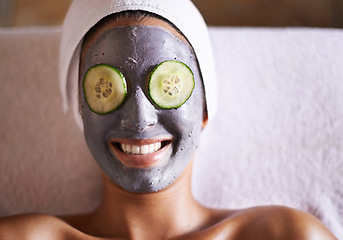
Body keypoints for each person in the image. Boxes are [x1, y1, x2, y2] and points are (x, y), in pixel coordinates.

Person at [0, 0, 338, 239]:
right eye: (107, 88)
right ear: (81, 109)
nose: (140, 120)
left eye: (167, 86)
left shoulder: (286, 236)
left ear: (205, 108)